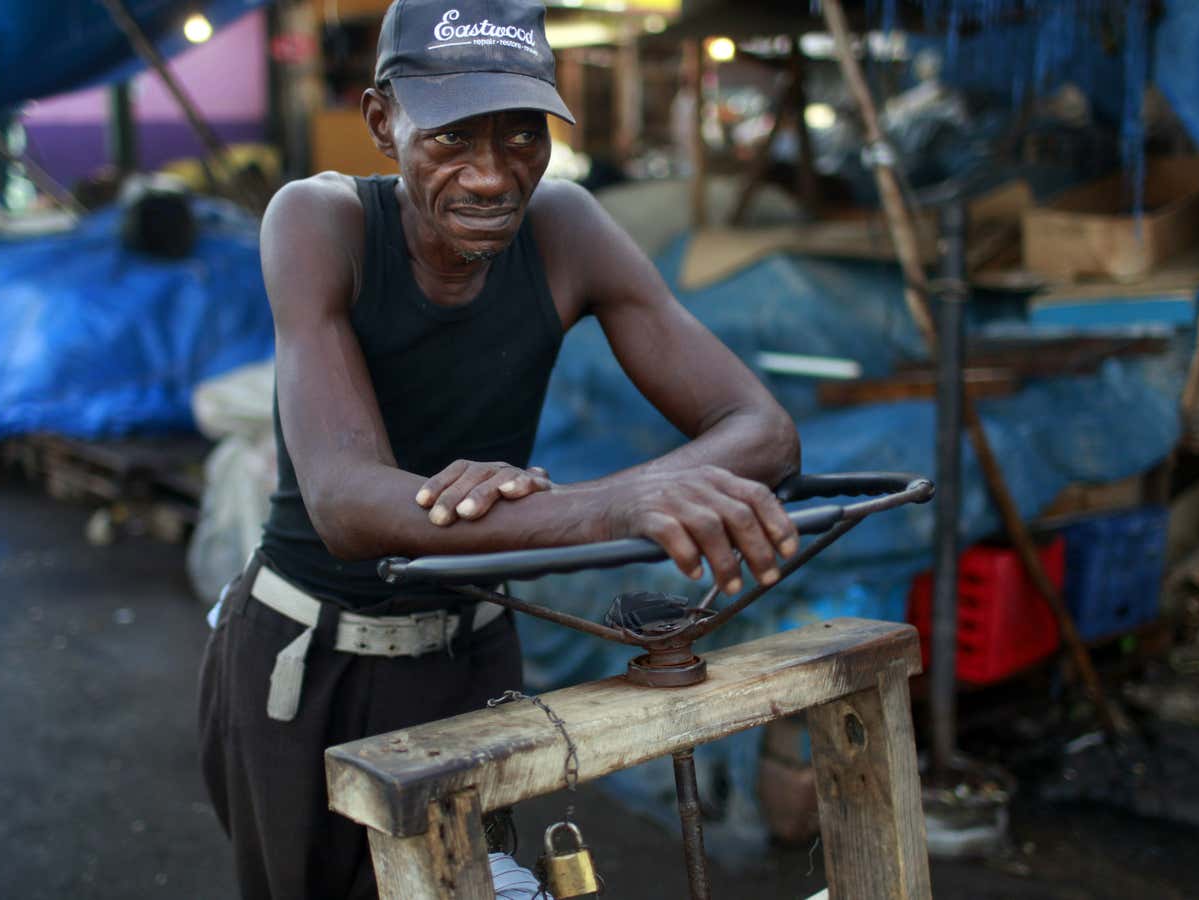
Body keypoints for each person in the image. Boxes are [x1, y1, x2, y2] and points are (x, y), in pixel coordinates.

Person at [197, 0, 801, 896]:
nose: (491, 177)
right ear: (381, 121)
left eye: (522, 137)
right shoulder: (320, 223)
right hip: (308, 663)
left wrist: (581, 498)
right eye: (450, 140)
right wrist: (609, 505)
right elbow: (347, 503)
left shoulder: (568, 230)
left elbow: (763, 431)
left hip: (472, 654)